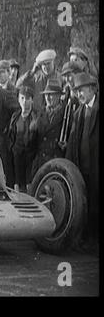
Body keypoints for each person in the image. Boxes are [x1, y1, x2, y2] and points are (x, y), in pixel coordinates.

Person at [66, 72, 99, 254]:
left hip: (96, 168)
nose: (79, 94)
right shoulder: (78, 113)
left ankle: (94, 241)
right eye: (77, 90)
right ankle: (86, 240)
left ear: (93, 88)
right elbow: (72, 142)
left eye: (82, 89)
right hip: (82, 168)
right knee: (85, 205)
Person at [31, 79, 65, 177]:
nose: (48, 98)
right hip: (40, 163)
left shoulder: (66, 115)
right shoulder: (40, 114)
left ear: (59, 96)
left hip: (57, 162)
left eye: (51, 94)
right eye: (46, 95)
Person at [8, 85, 38, 192]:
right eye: (22, 98)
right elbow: (11, 136)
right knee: (17, 186)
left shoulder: (36, 118)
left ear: (32, 100)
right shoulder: (15, 117)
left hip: (31, 158)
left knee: (30, 186)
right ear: (18, 100)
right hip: (17, 156)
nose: (24, 102)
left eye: (27, 98)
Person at [16, 49, 62, 114]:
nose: (46, 67)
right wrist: (31, 72)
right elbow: (18, 85)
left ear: (53, 62)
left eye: (48, 63)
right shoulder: (35, 77)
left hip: (55, 114)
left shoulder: (60, 78)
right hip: (37, 114)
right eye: (43, 64)